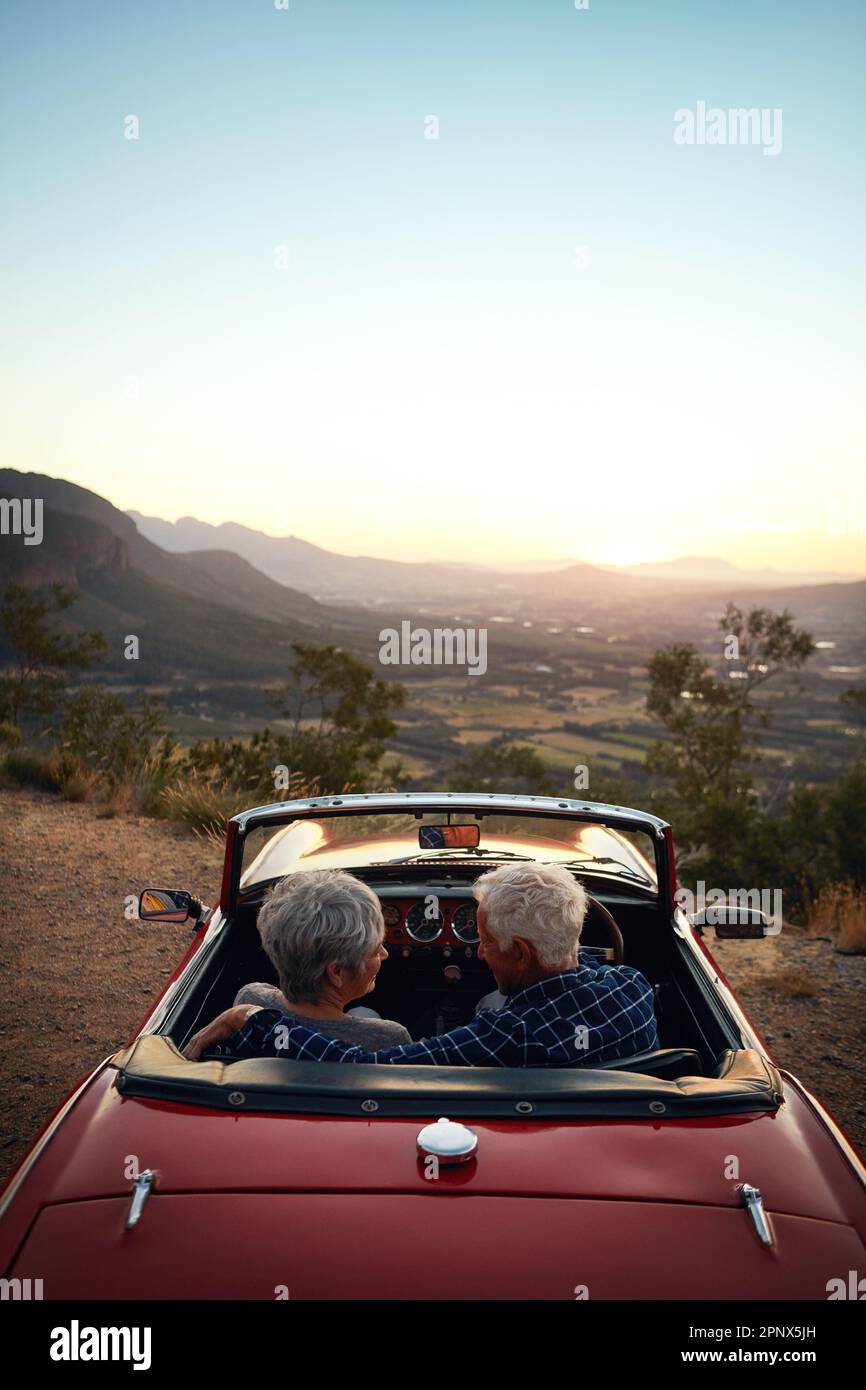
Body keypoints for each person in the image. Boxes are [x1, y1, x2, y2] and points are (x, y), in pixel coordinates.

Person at [185, 862, 657, 1066]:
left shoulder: (497, 1037)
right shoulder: (633, 987)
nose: (476, 951)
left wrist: (250, 1017)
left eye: (487, 941)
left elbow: (363, 1065)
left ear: (521, 953)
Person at [187, 869, 411, 1058]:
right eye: (375, 949)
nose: (384, 954)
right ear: (337, 972)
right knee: (365, 1013)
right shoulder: (387, 1038)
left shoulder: (251, 1000)